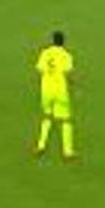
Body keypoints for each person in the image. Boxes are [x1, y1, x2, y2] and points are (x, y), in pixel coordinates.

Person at [34, 29, 77, 160]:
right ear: (63, 42)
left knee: (46, 117)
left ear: (53, 41)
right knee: (66, 120)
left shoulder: (45, 53)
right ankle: (67, 151)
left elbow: (40, 69)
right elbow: (68, 73)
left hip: (46, 90)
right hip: (60, 91)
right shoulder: (66, 55)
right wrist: (74, 85)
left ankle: (41, 146)